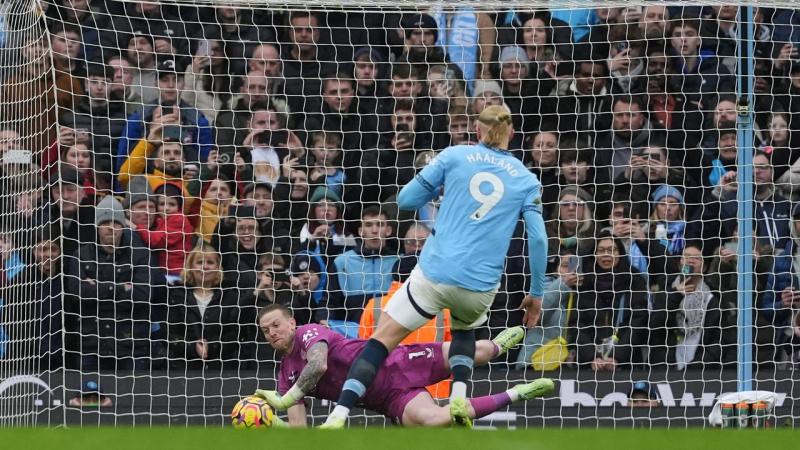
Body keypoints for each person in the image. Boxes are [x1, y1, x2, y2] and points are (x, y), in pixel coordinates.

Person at [322, 105, 548, 428]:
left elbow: (404, 201)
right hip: (480, 286)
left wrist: (440, 188)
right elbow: (538, 240)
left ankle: (338, 415)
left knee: (381, 340)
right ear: (511, 134)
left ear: (477, 131)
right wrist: (536, 294)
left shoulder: (454, 156)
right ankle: (458, 396)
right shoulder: (527, 179)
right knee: (465, 329)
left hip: (436, 273)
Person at [253, 304, 552, 427]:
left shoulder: (309, 333)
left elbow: (317, 366)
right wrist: (269, 421)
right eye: (266, 331)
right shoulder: (285, 373)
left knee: (480, 352)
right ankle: (518, 393)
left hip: (397, 363)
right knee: (435, 420)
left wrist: (283, 399)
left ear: (292, 322)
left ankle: (500, 344)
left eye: (276, 325)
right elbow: (298, 429)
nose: (273, 332)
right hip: (388, 399)